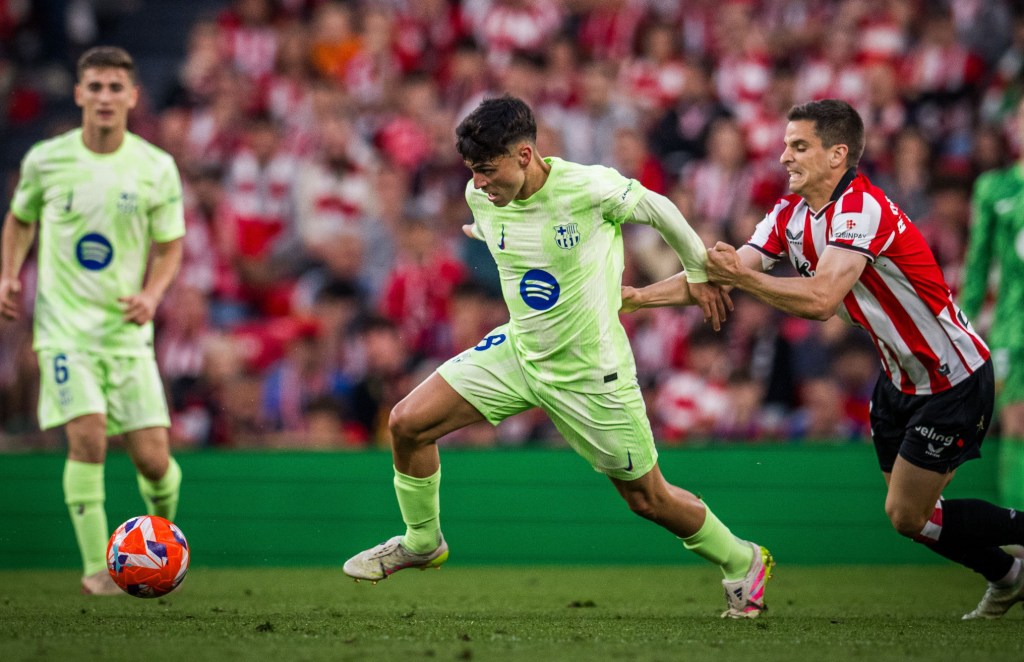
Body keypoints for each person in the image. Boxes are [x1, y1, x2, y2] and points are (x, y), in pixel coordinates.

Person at [343, 95, 774, 619]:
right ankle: (421, 541)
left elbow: (660, 209)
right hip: (520, 352)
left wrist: (699, 270)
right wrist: (484, 228)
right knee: (407, 423)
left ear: (525, 155)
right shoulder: (481, 196)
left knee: (648, 499)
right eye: (472, 170)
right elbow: (514, 235)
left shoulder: (588, 188)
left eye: (487, 169)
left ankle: (742, 559)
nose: (478, 183)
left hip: (591, 373)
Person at [624, 99, 1024, 619]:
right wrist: (638, 298)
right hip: (898, 380)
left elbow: (821, 300)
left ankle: (1009, 567)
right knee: (910, 517)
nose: (784, 157)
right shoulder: (788, 214)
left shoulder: (862, 209)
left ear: (837, 154)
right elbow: (723, 271)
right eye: (785, 145)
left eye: (799, 146)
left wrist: (743, 278)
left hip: (953, 377)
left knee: (907, 512)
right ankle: (1008, 574)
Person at [0, 47, 185, 595]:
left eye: (115, 88)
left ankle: (163, 542)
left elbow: (170, 246)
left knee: (154, 462)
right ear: (80, 93)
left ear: (133, 96)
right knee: (88, 439)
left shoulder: (155, 167)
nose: (105, 97)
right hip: (64, 331)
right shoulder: (46, 160)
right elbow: (19, 220)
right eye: (96, 87)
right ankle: (95, 571)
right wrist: (8, 274)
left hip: (126, 333)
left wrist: (152, 294)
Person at [961, 96, 1024, 510]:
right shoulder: (995, 188)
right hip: (1013, 329)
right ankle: (1019, 531)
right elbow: (978, 263)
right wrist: (962, 325)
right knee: (1018, 425)